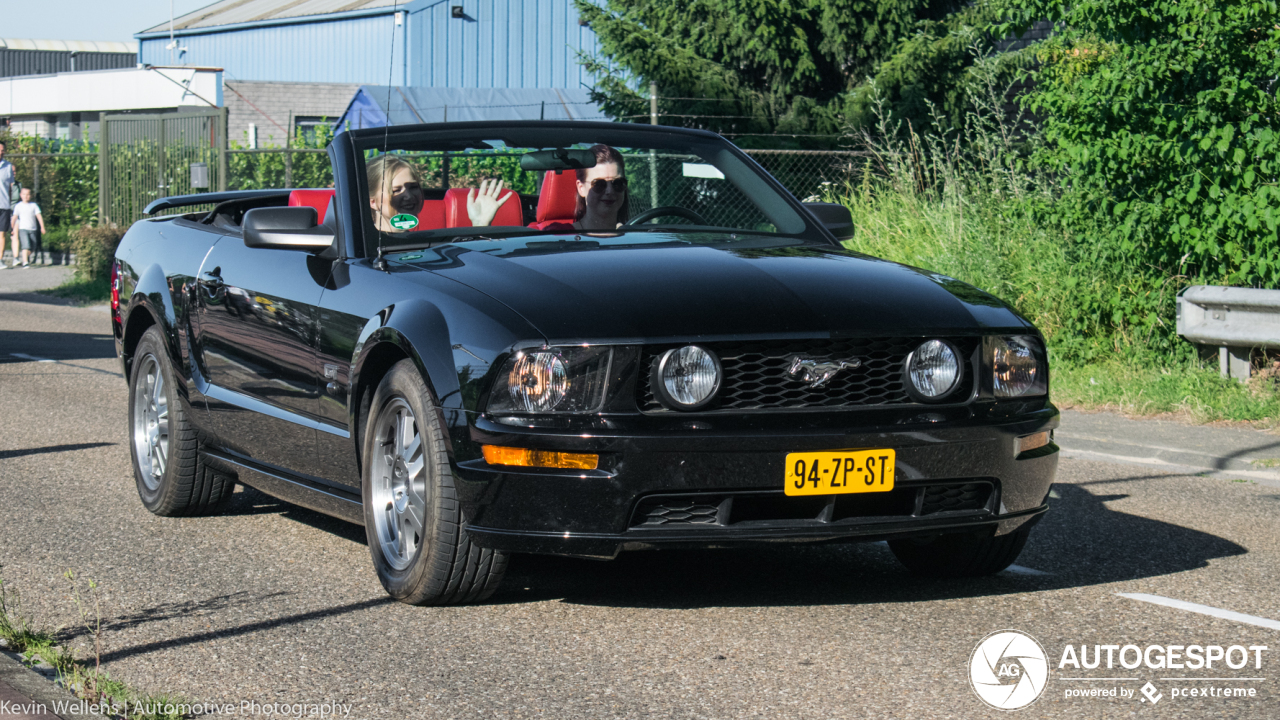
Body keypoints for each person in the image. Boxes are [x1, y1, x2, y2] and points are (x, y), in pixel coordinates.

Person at [466, 144, 629, 231]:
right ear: (581, 188)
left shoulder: (638, 237)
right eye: (599, 184)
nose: (610, 191)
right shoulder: (556, 235)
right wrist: (481, 226)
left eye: (617, 183)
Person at [367, 154, 424, 233]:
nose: (409, 196)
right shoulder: (361, 244)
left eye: (413, 187)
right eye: (396, 191)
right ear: (372, 202)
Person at [11, 187, 45, 268]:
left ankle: (25, 256)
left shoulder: (34, 205)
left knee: (33, 246)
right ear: (20, 195)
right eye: (24, 194)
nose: (26, 196)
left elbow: (39, 216)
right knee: (25, 245)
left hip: (33, 229)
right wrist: (12, 228)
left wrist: (42, 227)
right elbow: (14, 217)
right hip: (23, 229)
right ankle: (25, 262)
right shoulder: (18, 206)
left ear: (31, 195)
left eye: (28, 194)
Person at [0, 141, 15, 269]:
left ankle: (0, 260)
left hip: (4, 205)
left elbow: (11, 188)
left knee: (2, 234)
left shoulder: (8, 166)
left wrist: (11, 204)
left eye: (2, 150)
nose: (1, 152)